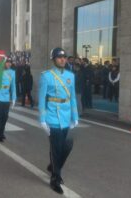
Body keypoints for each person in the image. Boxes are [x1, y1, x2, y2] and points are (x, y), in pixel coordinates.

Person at [38, 47, 79, 194]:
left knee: (66, 145)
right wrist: (42, 119)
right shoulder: (46, 76)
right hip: (52, 117)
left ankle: (53, 166)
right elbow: (42, 98)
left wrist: (75, 117)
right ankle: (55, 179)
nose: (63, 59)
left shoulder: (70, 76)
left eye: (64, 57)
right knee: (57, 148)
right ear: (54, 59)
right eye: (59, 57)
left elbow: (72, 97)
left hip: (66, 117)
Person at [0, 57, 16, 142]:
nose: (9, 64)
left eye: (10, 62)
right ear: (4, 63)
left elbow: (13, 86)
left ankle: (1, 132)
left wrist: (13, 98)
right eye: (7, 62)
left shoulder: (12, 73)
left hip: (6, 97)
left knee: (5, 117)